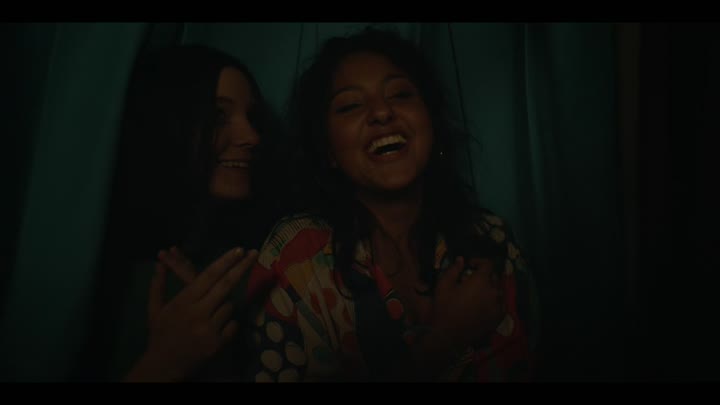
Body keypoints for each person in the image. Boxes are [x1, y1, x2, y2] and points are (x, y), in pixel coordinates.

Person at [245, 28, 539, 382]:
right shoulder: (295, 257)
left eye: (400, 95)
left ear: (431, 122)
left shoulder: (491, 238)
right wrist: (444, 340)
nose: (382, 112)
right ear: (327, 151)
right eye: (351, 105)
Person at [87, 44, 280, 382]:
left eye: (252, 117)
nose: (251, 137)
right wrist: (165, 362)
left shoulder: (262, 257)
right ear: (166, 125)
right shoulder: (103, 271)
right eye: (218, 116)